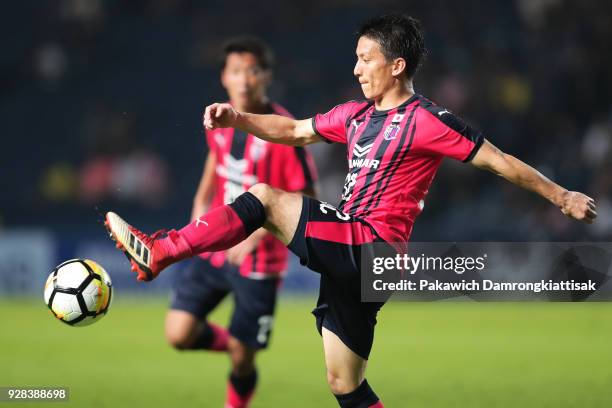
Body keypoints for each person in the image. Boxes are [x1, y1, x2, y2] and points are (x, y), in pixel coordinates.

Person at [105, 15, 597, 408]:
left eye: (366, 59)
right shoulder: (354, 115)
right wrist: (238, 118)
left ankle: (162, 249)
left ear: (397, 65)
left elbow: (499, 161)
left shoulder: (428, 120)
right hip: (359, 259)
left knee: (265, 196)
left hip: (372, 248)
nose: (357, 68)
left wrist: (562, 196)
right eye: (356, 59)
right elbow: (294, 130)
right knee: (344, 384)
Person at [165, 37, 316, 408]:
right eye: (236, 72)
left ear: (266, 76)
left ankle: (238, 389)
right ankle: (235, 343)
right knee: (178, 333)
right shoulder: (218, 119)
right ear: (224, 78)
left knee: (242, 360)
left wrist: (251, 239)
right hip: (216, 250)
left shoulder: (282, 130)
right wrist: (194, 226)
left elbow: (307, 200)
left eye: (253, 71)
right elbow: (211, 174)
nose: (244, 80)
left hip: (258, 260)